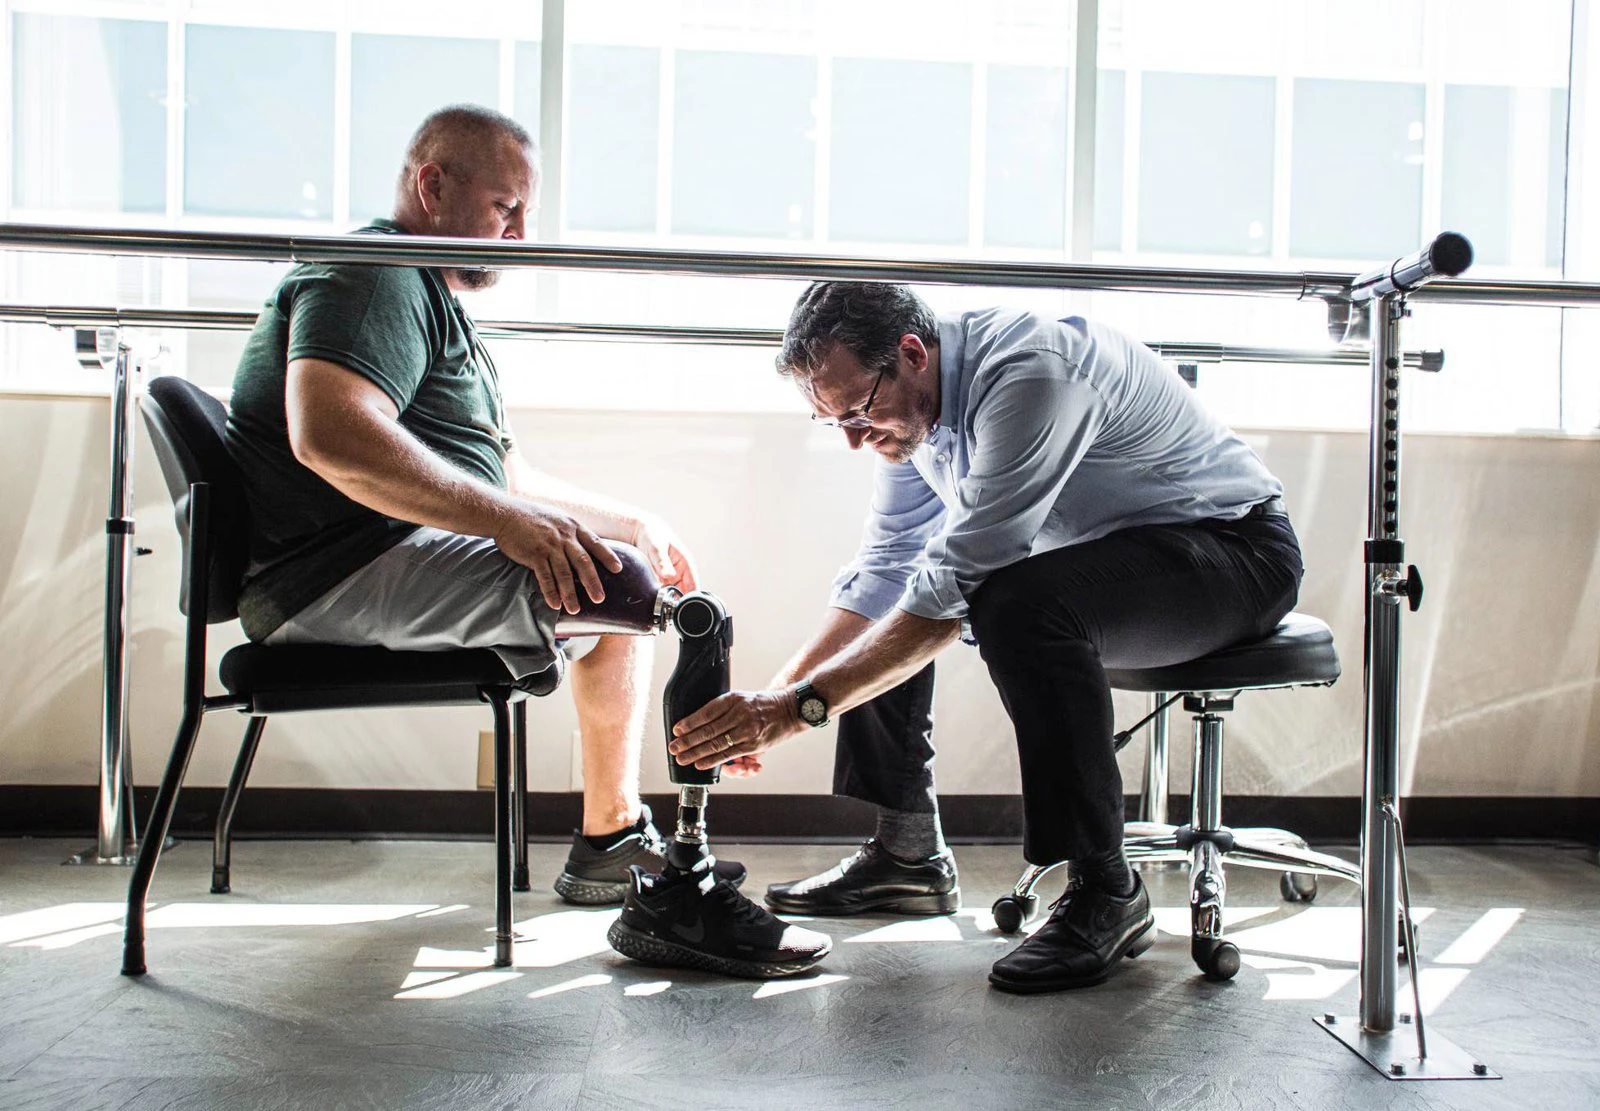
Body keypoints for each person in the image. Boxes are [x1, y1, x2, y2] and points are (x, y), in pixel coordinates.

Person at [669, 281, 1303, 993]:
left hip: (1233, 555)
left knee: (1010, 604)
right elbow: (888, 569)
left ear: (911, 353)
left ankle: (1106, 889)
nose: (853, 438)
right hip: (1121, 569)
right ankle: (905, 852)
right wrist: (776, 696)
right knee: (911, 601)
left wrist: (797, 711)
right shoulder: (910, 410)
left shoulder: (1030, 374)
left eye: (857, 412)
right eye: (832, 422)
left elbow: (962, 585)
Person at [223, 103, 745, 905]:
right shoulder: (373, 275)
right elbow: (329, 434)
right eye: (507, 209)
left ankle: (614, 830)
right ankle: (619, 840)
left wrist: (630, 520)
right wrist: (513, 524)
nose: (520, 234)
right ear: (432, 186)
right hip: (336, 567)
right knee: (617, 587)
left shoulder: (424, 294)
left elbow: (504, 474)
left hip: (373, 554)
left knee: (620, 565)